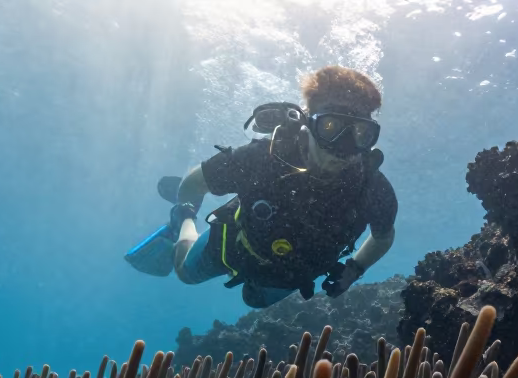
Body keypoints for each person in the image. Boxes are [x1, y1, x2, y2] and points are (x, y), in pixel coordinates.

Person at [125, 66, 397, 308]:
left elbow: (383, 237)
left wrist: (354, 270)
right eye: (331, 127)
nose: (344, 148)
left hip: (290, 274)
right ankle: (181, 221)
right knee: (185, 273)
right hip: (234, 244)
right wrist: (186, 207)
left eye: (360, 133)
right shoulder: (262, 158)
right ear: (309, 123)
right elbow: (192, 184)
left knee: (254, 302)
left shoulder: (374, 189)